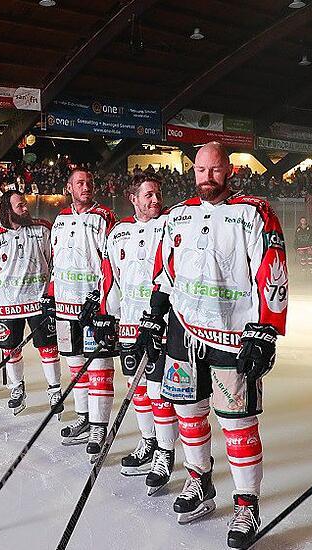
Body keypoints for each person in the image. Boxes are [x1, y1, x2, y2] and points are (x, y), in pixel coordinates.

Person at [136, 142, 288, 547]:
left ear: (229, 171)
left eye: (215, 170)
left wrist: (265, 330)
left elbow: (271, 270)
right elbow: (163, 271)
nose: (207, 177)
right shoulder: (177, 216)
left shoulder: (255, 212)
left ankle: (246, 504)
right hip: (182, 334)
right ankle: (199, 481)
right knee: (189, 414)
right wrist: (154, 314)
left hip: (232, 335)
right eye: (201, 170)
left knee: (237, 424)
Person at [94, 174, 180, 491]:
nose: (155, 200)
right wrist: (105, 313)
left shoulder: (171, 224)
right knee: (137, 388)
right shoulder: (117, 233)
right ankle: (148, 441)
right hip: (129, 324)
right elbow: (110, 278)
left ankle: (164, 452)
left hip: (161, 324)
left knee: (159, 391)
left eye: (158, 194)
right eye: (148, 195)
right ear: (133, 198)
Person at [46, 168, 118, 457]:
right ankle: (84, 417)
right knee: (76, 365)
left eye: (89, 182)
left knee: (98, 366)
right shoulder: (60, 220)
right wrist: (51, 296)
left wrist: (99, 299)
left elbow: (110, 262)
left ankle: (99, 424)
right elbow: (56, 262)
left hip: (92, 308)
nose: (85, 186)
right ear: (69, 188)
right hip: (65, 305)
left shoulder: (103, 217)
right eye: (80, 183)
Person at [0, 190, 60, 414]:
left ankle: (54, 390)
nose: (25, 208)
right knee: (10, 350)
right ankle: (17, 388)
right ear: (7, 210)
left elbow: (52, 261)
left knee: (48, 347)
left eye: (25, 204)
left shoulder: (42, 228)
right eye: (19, 206)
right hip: (8, 303)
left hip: (39, 300)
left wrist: (52, 293)